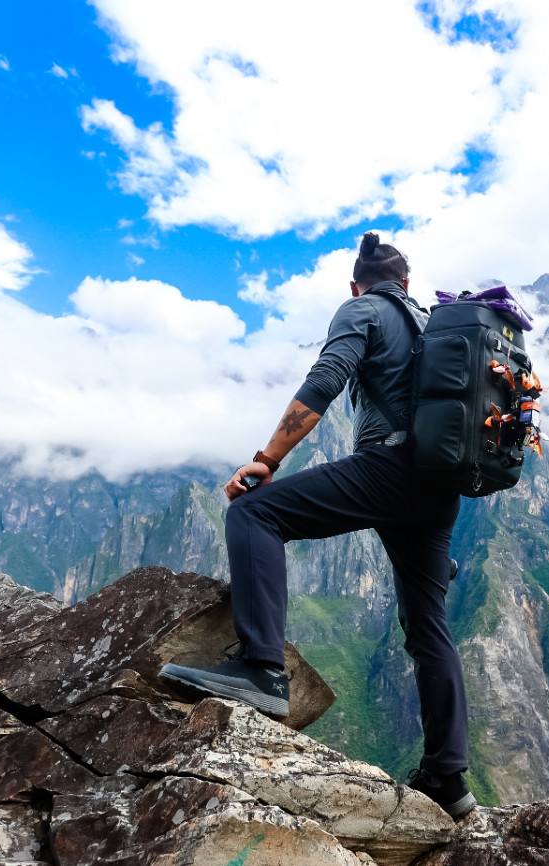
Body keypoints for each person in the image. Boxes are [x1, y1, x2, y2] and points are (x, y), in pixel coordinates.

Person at [159, 232, 475, 819]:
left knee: (256, 511)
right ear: (406, 281)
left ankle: (262, 670)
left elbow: (327, 380)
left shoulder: (362, 309)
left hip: (389, 469)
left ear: (356, 285)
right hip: (438, 492)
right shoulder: (437, 325)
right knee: (429, 630)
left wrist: (269, 459)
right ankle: (449, 782)